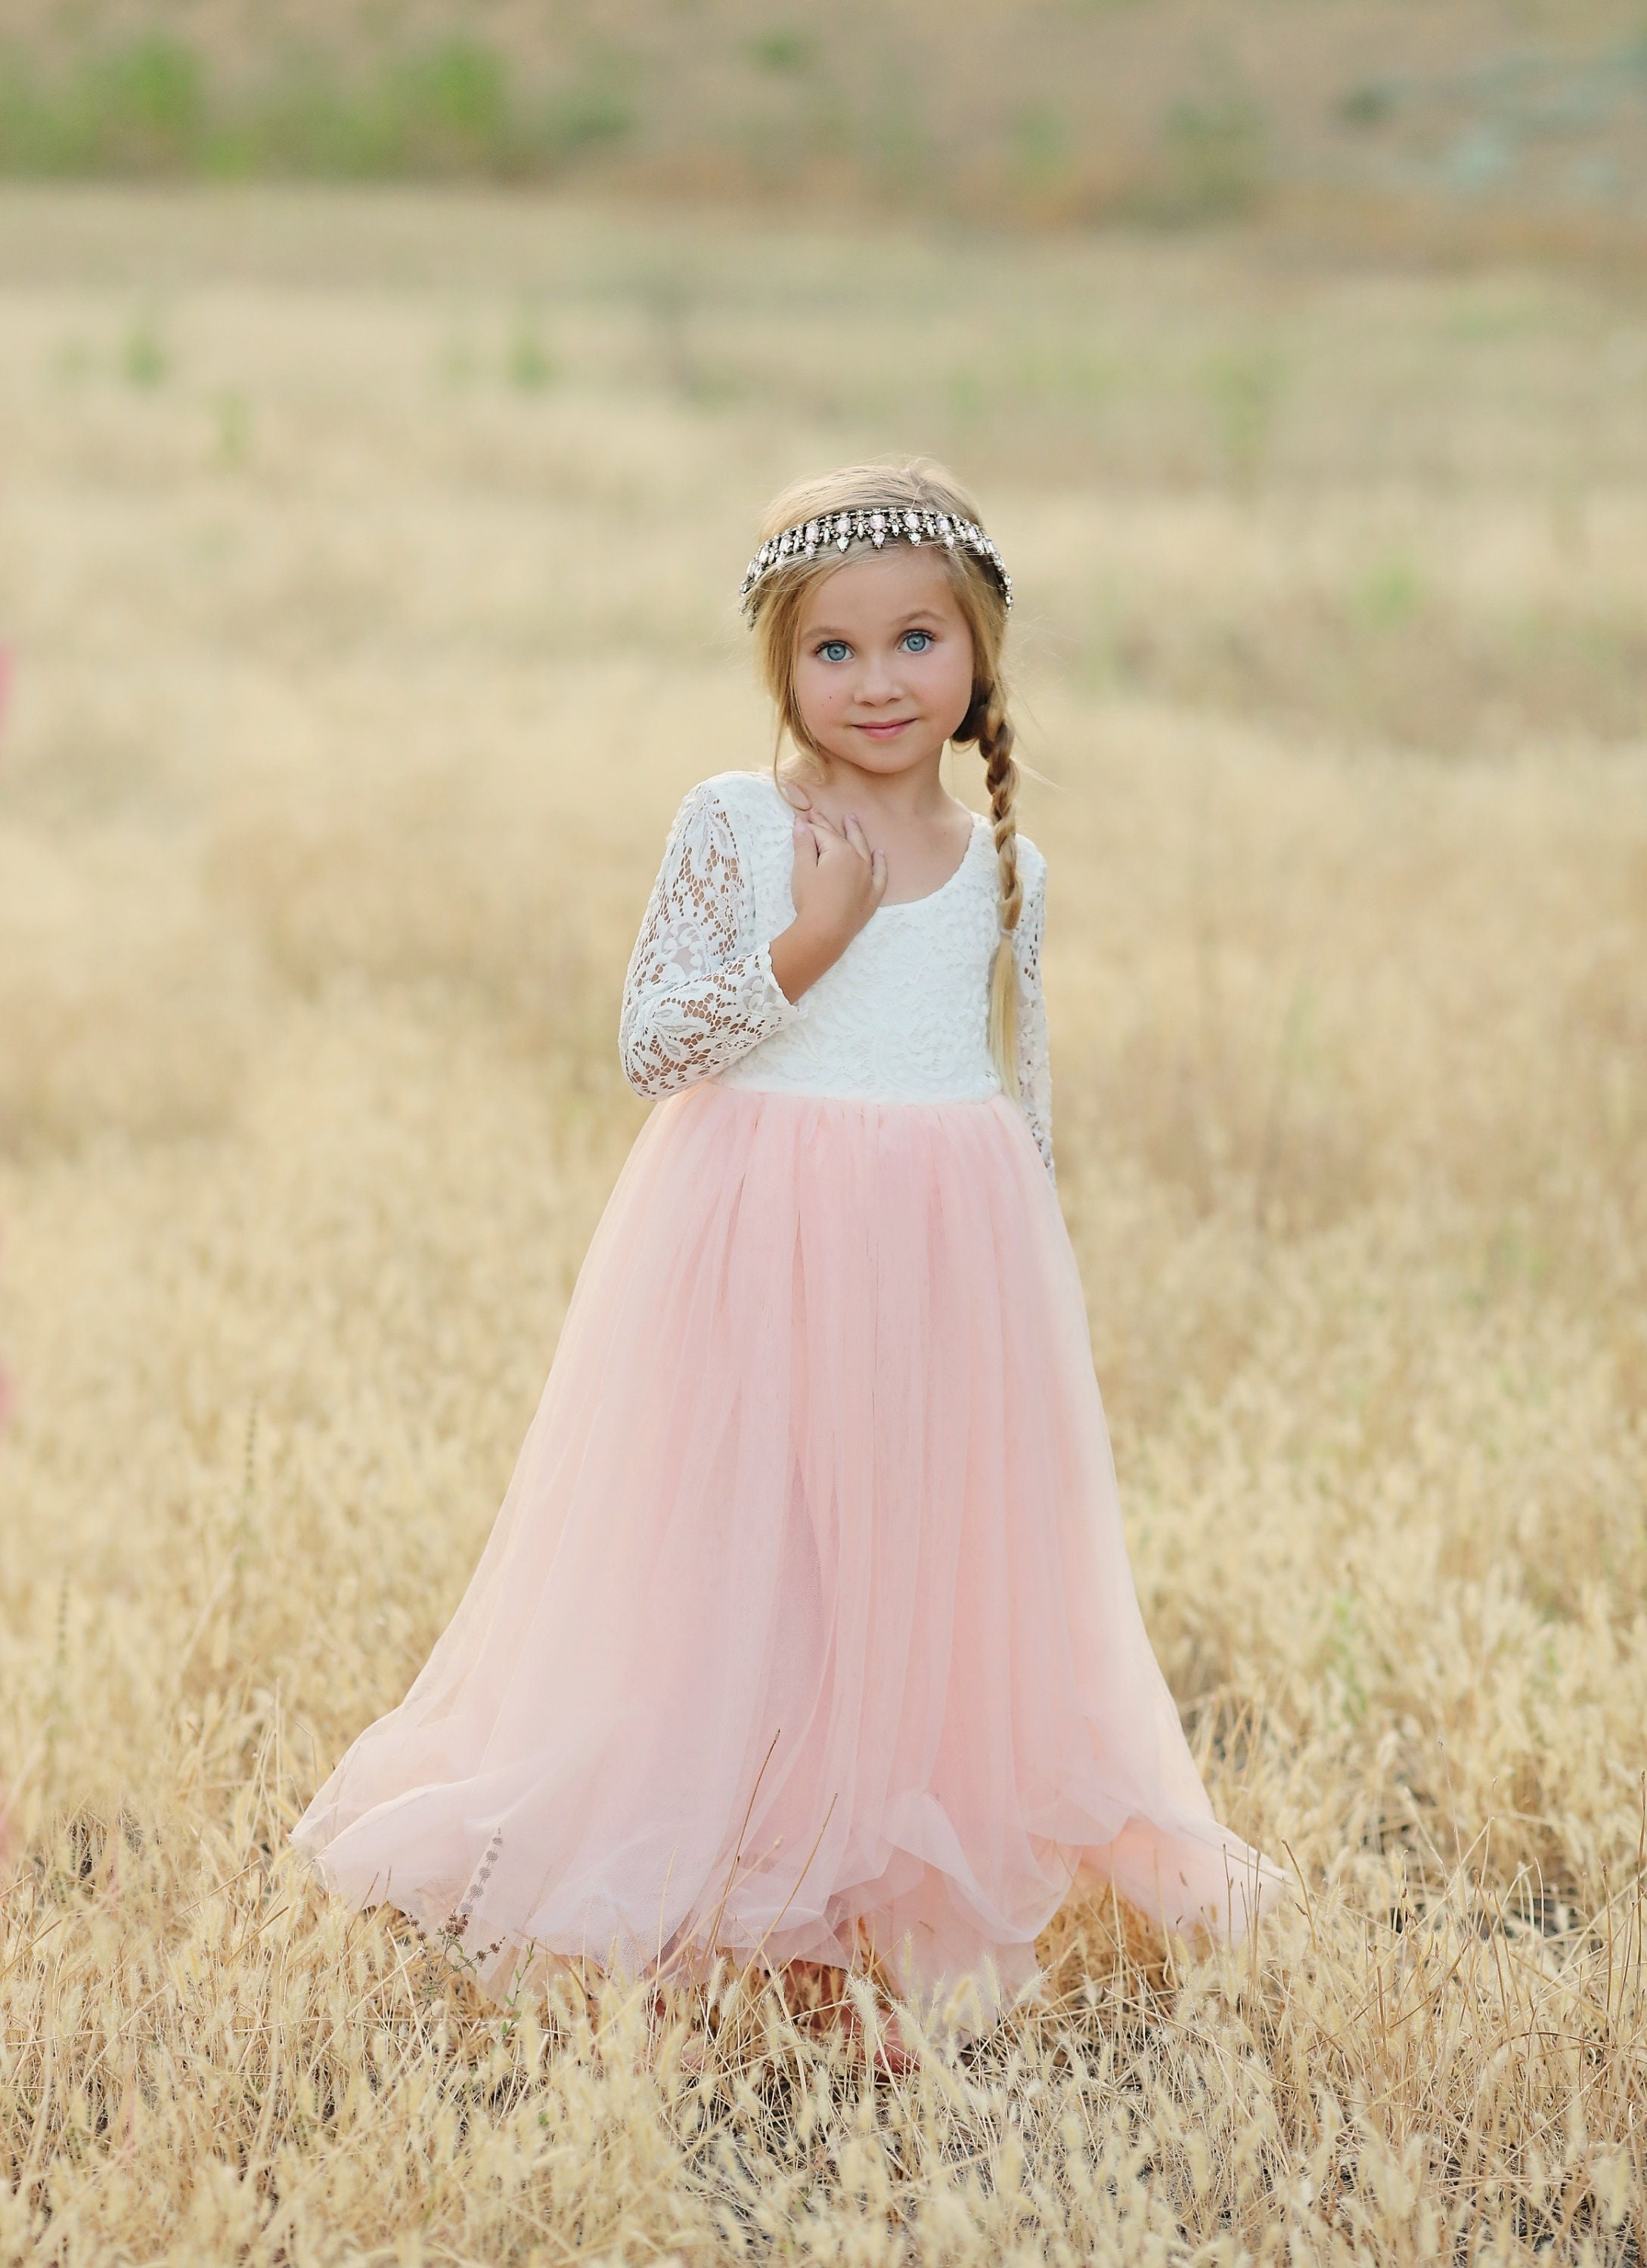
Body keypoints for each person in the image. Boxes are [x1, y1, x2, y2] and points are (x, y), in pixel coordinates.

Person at [292, 458, 1283, 2046]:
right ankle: (734, 1861)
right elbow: (651, 1043)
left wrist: (1030, 1287)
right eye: (833, 649)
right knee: (756, 1552)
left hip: (947, 1257)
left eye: (916, 642)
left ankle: (871, 1883)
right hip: (755, 1232)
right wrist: (810, 939)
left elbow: (1021, 1086)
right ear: (781, 667)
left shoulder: (1013, 868)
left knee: (911, 1567)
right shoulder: (743, 825)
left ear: (978, 661)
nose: (878, 681)